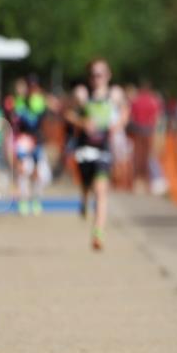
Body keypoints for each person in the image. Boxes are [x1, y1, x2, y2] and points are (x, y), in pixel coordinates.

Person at [65, 59, 127, 250]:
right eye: (93, 74)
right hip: (84, 148)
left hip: (103, 148)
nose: (96, 78)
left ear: (108, 75)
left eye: (100, 74)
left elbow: (125, 111)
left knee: (101, 190)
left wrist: (117, 125)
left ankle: (98, 232)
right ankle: (83, 200)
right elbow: (68, 113)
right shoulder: (81, 94)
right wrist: (82, 122)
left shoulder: (115, 94)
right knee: (86, 185)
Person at [9, 77, 50, 215]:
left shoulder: (39, 100)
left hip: (37, 139)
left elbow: (39, 119)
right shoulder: (19, 101)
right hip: (24, 139)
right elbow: (16, 120)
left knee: (37, 172)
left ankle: (36, 199)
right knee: (22, 170)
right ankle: (23, 200)